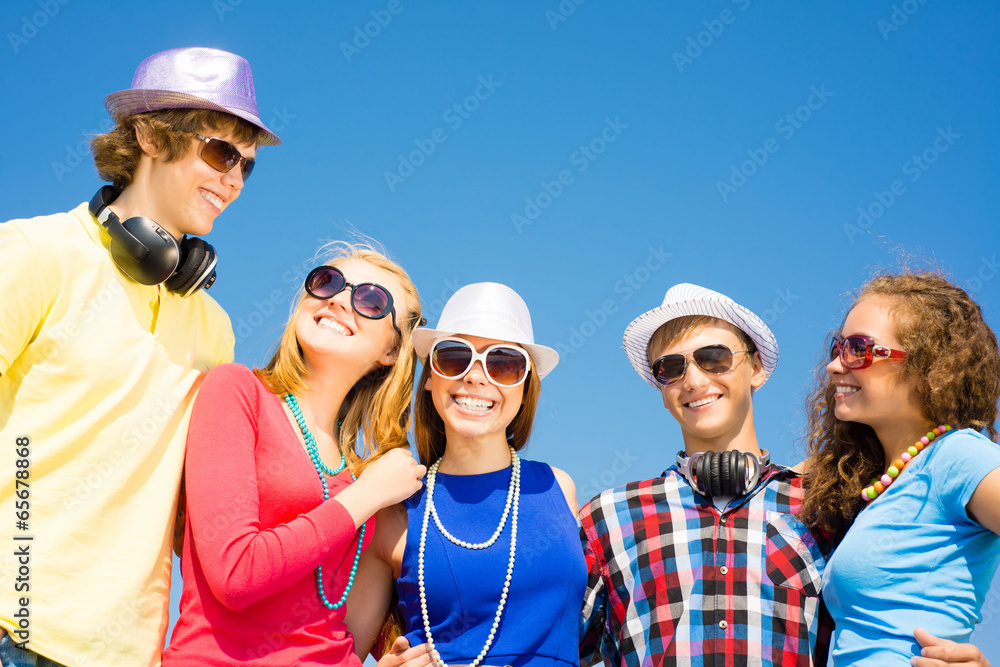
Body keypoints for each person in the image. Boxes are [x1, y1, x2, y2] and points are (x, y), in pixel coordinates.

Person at [0, 47, 278, 667]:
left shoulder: (214, 328)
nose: (234, 180)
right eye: (220, 152)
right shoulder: (33, 254)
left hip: (130, 654)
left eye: (247, 167)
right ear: (151, 135)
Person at [162, 243, 428, 665]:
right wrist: (365, 498)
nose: (340, 299)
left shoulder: (358, 474)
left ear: (391, 351)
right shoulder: (237, 392)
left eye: (372, 300)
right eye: (329, 283)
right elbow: (235, 574)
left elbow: (326, 636)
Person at [579, 283, 835, 666]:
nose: (695, 381)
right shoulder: (608, 517)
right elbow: (548, 650)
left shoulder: (826, 504)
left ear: (757, 368)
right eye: (671, 368)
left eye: (714, 358)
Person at [348, 282, 587, 667]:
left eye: (503, 363)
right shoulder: (394, 511)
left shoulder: (558, 487)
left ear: (525, 388)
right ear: (429, 379)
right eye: (455, 357)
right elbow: (340, 653)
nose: (476, 377)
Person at [800, 272, 1000, 666]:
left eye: (859, 349)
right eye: (837, 346)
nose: (835, 366)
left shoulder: (958, 458)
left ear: (930, 366)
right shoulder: (887, 480)